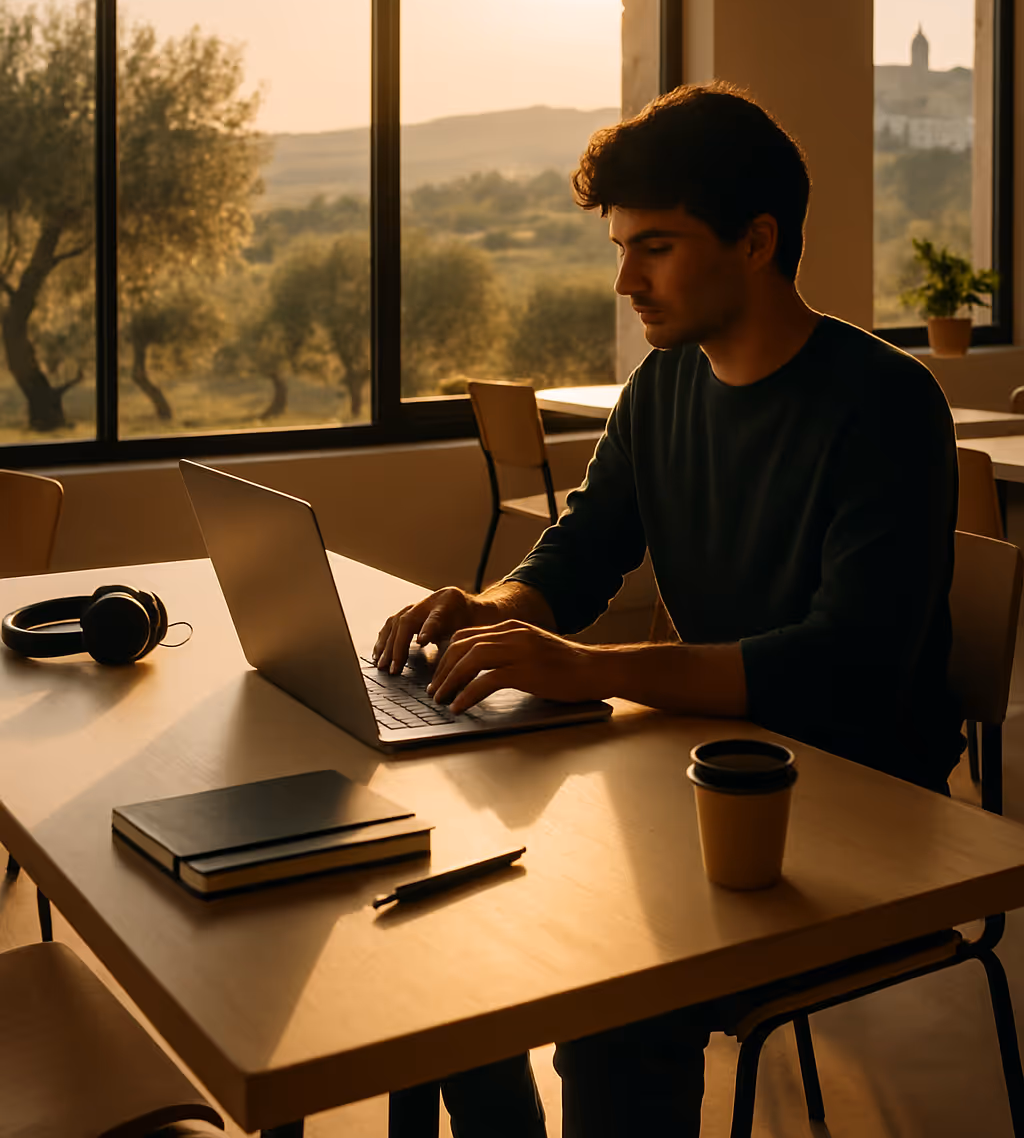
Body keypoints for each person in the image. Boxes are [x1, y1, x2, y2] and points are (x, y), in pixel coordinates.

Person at [374, 81, 963, 1138]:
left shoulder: (885, 404)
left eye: (654, 246)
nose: (621, 281)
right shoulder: (666, 384)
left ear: (754, 241)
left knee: (615, 1007)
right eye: (619, 246)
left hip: (858, 798)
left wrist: (590, 669)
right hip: (706, 758)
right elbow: (584, 547)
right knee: (451, 919)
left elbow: (846, 665)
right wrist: (493, 608)